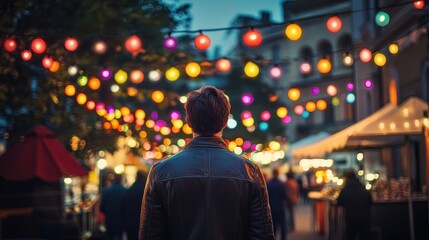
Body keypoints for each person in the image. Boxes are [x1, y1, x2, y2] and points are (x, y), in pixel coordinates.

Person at [139, 85, 275, 240]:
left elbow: (150, 235)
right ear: (225, 121)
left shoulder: (161, 171)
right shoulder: (250, 171)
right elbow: (262, 235)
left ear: (188, 121)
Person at [337, 169, 373, 240]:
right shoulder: (363, 187)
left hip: (351, 218)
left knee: (351, 236)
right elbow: (370, 201)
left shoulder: (345, 190)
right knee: (364, 236)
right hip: (365, 218)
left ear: (346, 178)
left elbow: (340, 202)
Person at [100, 173, 126, 240]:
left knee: (109, 236)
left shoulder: (107, 190)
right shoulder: (125, 191)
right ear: (121, 180)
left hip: (109, 220)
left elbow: (102, 207)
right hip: (121, 221)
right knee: (119, 237)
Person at [122, 170, 147, 240]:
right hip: (143, 225)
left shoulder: (130, 190)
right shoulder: (147, 190)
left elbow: (123, 208)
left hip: (130, 224)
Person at [267, 168, 288, 240]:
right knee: (282, 227)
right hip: (280, 208)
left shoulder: (268, 184)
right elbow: (285, 196)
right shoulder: (281, 184)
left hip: (272, 208)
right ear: (278, 174)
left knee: (273, 227)